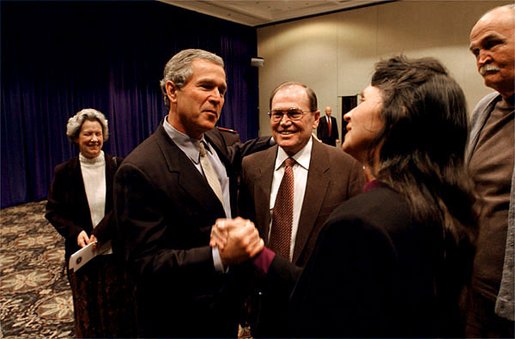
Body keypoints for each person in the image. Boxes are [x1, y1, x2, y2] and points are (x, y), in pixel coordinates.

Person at [288, 56, 477, 337]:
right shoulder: (442, 205)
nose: (348, 115)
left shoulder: (359, 222)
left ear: (400, 112)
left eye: (363, 100)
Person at [113, 48, 270, 337]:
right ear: (172, 90)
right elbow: (144, 265)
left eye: (222, 90)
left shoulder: (216, 141)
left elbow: (237, 154)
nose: (217, 98)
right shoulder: (139, 169)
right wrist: (219, 256)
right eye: (206, 86)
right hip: (180, 318)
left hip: (226, 304)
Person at [212, 81, 365, 337]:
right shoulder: (252, 166)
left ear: (315, 118)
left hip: (320, 305)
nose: (284, 122)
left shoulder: (346, 167)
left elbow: (355, 246)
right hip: (266, 307)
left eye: (294, 113)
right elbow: (250, 235)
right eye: (277, 114)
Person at [46, 108, 133, 337]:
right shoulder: (64, 172)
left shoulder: (119, 167)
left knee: (119, 312)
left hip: (116, 254)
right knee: (88, 314)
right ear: (76, 137)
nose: (94, 139)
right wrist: (75, 232)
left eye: (98, 133)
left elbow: (125, 206)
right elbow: (53, 211)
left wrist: (102, 231)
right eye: (87, 134)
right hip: (82, 255)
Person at [466, 4, 514, 337]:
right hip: (476, 290)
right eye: (476, 51)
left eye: (492, 44)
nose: (482, 58)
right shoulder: (485, 108)